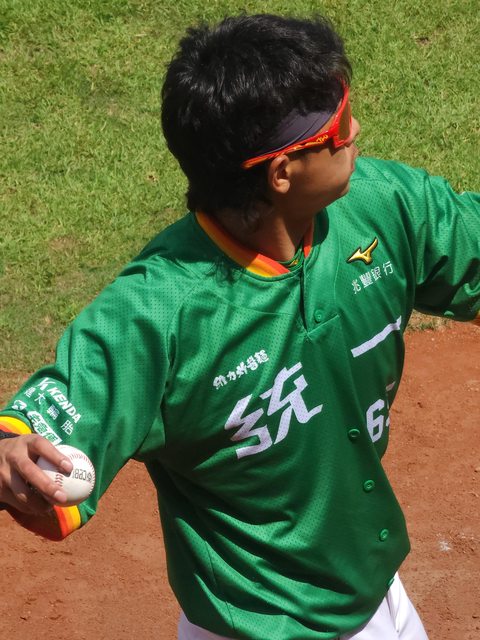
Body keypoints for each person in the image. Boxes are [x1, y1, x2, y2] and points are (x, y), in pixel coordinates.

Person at [0, 13, 478, 640]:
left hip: (376, 593)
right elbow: (39, 430)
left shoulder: (382, 205)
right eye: (337, 126)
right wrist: (10, 453)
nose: (355, 130)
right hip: (256, 625)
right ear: (281, 173)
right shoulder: (158, 312)